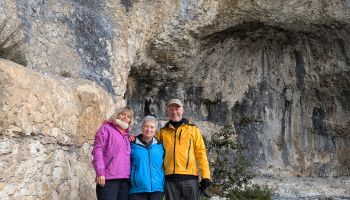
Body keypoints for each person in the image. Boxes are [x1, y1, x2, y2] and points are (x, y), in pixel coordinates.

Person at [157, 99, 211, 200]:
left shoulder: (193, 130)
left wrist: (206, 176)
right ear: (167, 111)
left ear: (182, 110)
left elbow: (201, 153)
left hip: (190, 179)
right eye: (171, 109)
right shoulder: (162, 132)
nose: (174, 112)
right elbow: (153, 152)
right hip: (169, 180)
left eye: (177, 108)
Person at [92, 107, 134, 200]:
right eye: (123, 114)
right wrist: (100, 173)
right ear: (117, 115)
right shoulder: (106, 128)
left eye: (128, 116)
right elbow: (98, 150)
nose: (125, 117)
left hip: (125, 180)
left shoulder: (128, 136)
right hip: (109, 178)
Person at [129, 115, 165, 200]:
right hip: (137, 189)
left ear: (155, 129)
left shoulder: (160, 146)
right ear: (141, 127)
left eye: (152, 127)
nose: (149, 129)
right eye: (146, 126)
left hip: (157, 189)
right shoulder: (132, 144)